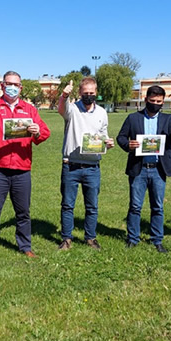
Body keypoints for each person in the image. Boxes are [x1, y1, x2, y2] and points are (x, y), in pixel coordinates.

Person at [0, 59, 51, 264]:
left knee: (23, 213)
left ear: (21, 88)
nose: (12, 87)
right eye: (8, 84)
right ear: (2, 86)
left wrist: (37, 131)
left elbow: (45, 132)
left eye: (16, 84)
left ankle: (25, 246)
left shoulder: (29, 109)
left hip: (22, 169)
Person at [117, 86, 171, 252]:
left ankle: (157, 239)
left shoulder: (167, 119)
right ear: (146, 100)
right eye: (152, 101)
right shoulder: (133, 118)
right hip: (139, 168)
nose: (156, 104)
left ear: (163, 102)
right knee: (135, 206)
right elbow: (121, 137)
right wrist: (127, 144)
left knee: (157, 206)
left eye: (159, 102)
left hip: (159, 169)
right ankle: (133, 238)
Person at [57, 78, 114, 251]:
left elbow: (103, 135)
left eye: (92, 93)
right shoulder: (72, 109)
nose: (89, 96)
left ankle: (90, 238)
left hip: (92, 167)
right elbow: (61, 108)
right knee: (67, 205)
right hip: (71, 165)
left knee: (92, 206)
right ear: (80, 93)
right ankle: (67, 239)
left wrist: (107, 143)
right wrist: (64, 94)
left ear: (96, 92)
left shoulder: (102, 113)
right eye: (85, 93)